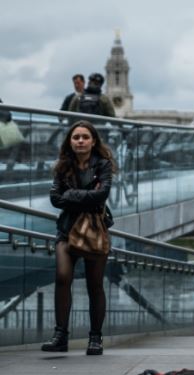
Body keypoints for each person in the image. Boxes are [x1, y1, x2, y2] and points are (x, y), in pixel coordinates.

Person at [42, 120, 115, 355]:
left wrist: (71, 195)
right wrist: (85, 195)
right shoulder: (62, 166)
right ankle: (60, 335)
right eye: (76, 137)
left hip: (94, 229)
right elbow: (55, 199)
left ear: (93, 141)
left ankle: (95, 338)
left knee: (95, 284)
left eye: (85, 137)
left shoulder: (103, 165)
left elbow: (101, 195)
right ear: (70, 142)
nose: (80, 141)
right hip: (67, 228)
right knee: (63, 277)